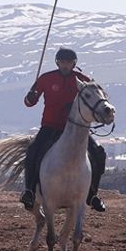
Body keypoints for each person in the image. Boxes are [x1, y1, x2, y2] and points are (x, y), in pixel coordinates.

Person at [21, 47, 107, 212]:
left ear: (74, 63)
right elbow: (29, 102)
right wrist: (30, 97)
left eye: (69, 62)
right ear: (57, 62)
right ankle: (30, 191)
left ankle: (92, 194)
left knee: (98, 154)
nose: (65, 65)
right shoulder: (46, 79)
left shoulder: (83, 80)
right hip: (51, 126)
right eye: (62, 62)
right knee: (33, 151)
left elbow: (98, 98)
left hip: (76, 129)